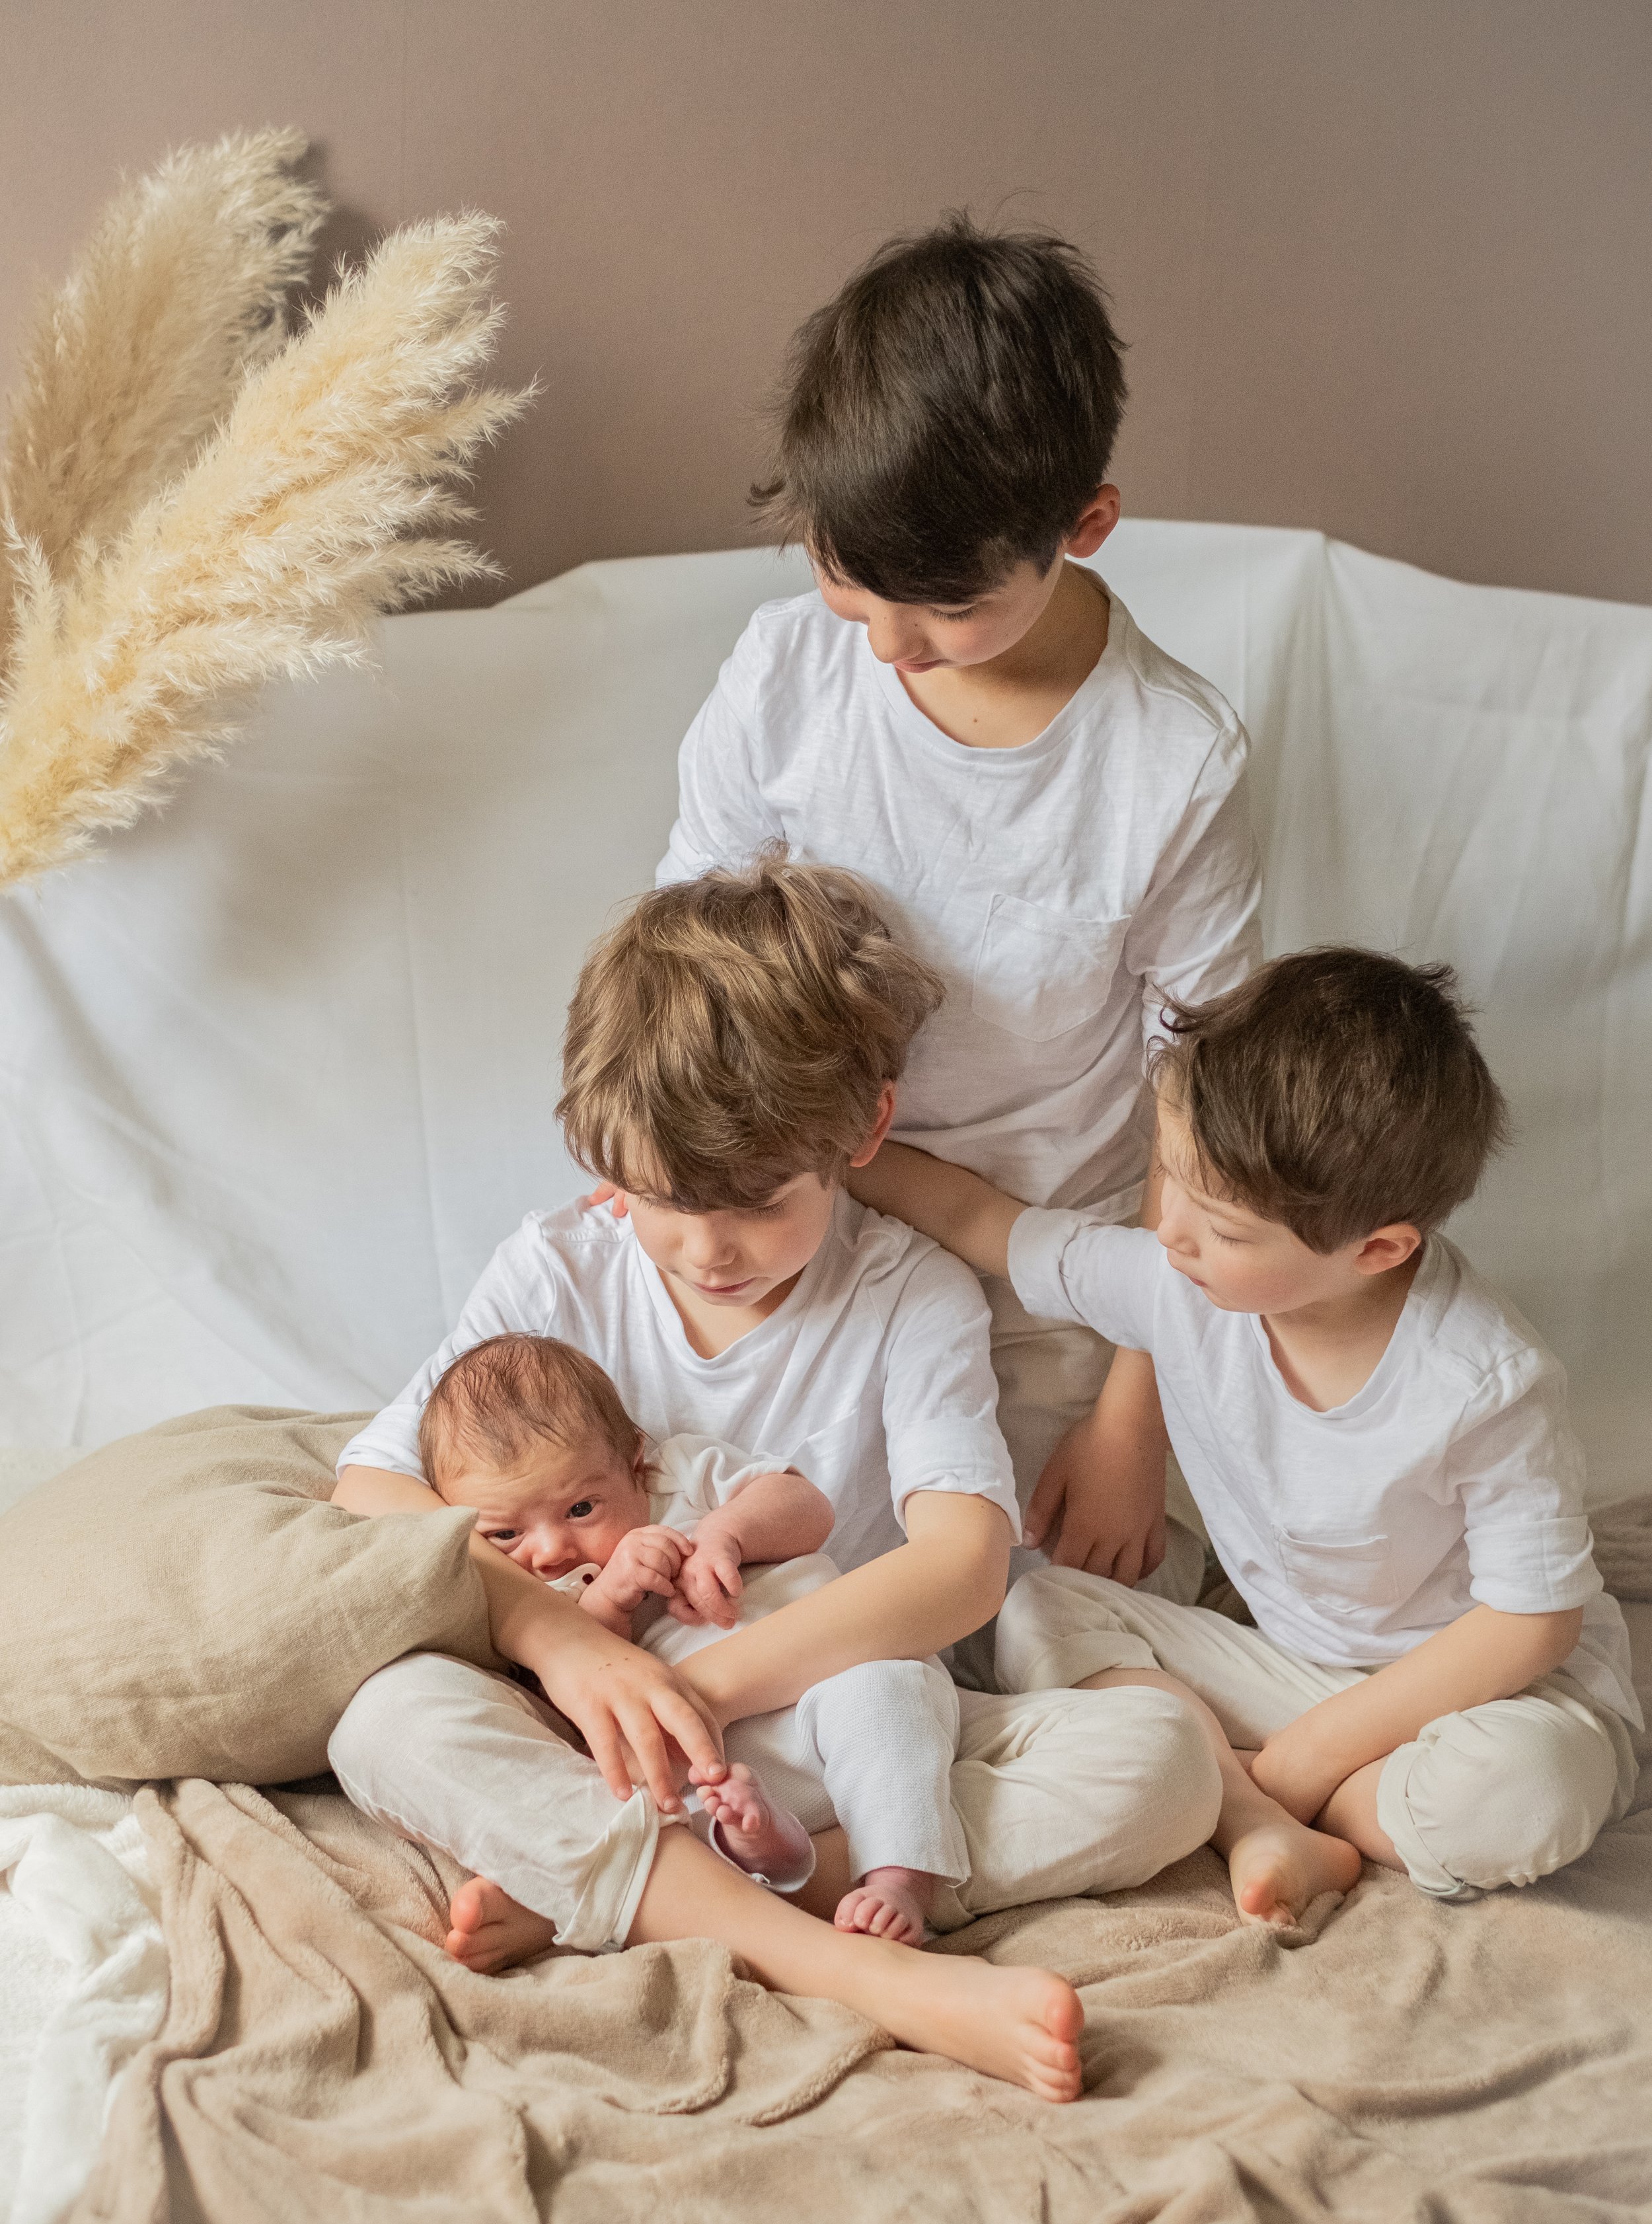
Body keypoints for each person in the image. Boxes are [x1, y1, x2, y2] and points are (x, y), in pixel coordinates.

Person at [328, 860, 1222, 2103]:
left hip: (826, 1731)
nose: (707, 1248)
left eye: (755, 1201)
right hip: (593, 1730)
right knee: (380, 1716)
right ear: (604, 1165)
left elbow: (961, 1563)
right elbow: (370, 1491)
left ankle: (631, 1885)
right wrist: (580, 1652)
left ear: (859, 1136)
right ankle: (857, 1966)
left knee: (1161, 1759)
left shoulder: (909, 1293)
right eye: (660, 1199)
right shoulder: (560, 1272)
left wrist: (713, 1686)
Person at [656, 213, 1261, 1637]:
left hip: (1049, 1286)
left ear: (1084, 527)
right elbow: (686, 964)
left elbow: (1206, 1105)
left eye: (940, 610)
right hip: (802, 1232)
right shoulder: (787, 672)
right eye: (842, 581)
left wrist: (1136, 1418)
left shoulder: (1168, 762)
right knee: (694, 1558)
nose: (884, 646)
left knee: (1023, 1624)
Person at [852, 947, 1641, 1924]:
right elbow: (987, 1221)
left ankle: (1254, 1798)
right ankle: (1263, 1820)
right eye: (1173, 1179)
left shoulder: (1483, 1379)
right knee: (1038, 1608)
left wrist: (1313, 1756)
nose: (1174, 1232)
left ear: (1378, 1249)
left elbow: (1532, 1623)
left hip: (1482, 1695)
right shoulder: (1178, 1283)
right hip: (1293, 1669)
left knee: (1530, 1790)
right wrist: (831, 1148)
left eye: (1223, 1225)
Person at [415, 1330, 972, 1946]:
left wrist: (726, 1534)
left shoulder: (684, 1474)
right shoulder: (525, 1593)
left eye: (580, 1510)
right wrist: (609, 1601)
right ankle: (744, 1849)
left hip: (830, 1690)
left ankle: (897, 1882)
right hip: (711, 1761)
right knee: (648, 1796)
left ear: (635, 1462)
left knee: (887, 1688)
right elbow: (565, 1688)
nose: (548, 1551)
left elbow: (808, 1508)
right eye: (504, 1534)